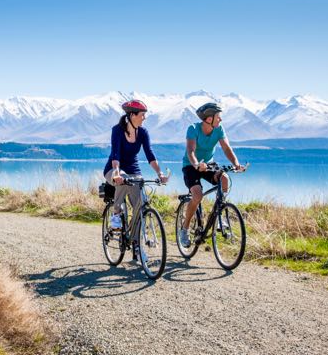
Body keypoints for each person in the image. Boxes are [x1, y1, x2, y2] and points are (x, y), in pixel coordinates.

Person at [103, 99, 169, 259]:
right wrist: (117, 173)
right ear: (132, 115)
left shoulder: (143, 132)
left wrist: (160, 173)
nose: (144, 118)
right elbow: (116, 154)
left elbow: (150, 155)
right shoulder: (117, 130)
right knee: (123, 177)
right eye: (142, 115)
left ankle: (135, 243)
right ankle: (116, 214)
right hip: (113, 170)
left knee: (141, 207)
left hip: (134, 171)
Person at [179, 102, 245, 247]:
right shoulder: (193, 129)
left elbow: (227, 148)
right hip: (191, 166)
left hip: (208, 164)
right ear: (209, 119)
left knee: (225, 179)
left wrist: (236, 163)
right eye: (218, 117)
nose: (220, 120)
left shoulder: (219, 129)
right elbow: (190, 150)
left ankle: (220, 216)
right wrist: (196, 164)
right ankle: (184, 229)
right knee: (197, 196)